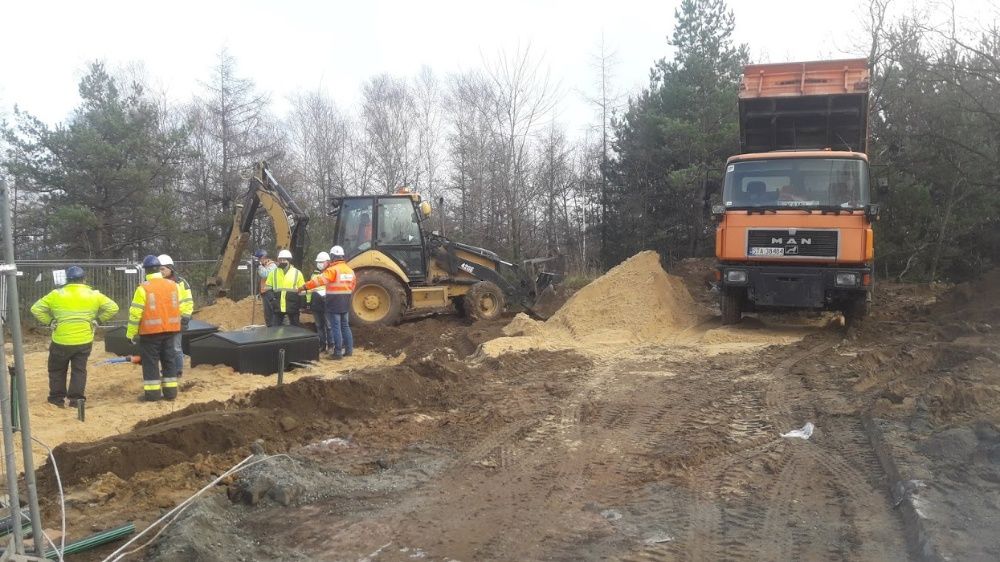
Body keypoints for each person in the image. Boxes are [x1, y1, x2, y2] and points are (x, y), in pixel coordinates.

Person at [30, 266, 119, 407]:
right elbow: (113, 307)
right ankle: (76, 400)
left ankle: (56, 400)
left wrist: (50, 321)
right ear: (84, 279)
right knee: (79, 370)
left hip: (61, 340)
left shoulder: (56, 294)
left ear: (67, 280)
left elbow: (36, 308)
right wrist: (99, 320)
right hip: (84, 340)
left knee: (57, 370)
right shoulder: (93, 294)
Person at [126, 255, 183, 402]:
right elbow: (179, 306)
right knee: (169, 360)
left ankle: (153, 395)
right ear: (159, 268)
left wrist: (130, 333)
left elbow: (135, 313)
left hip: (150, 333)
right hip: (170, 330)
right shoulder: (173, 285)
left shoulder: (143, 288)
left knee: (150, 363)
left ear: (146, 270)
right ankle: (171, 393)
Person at [299, 245, 356, 360]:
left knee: (335, 327)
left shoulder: (332, 270)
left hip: (334, 301)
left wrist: (304, 287)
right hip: (345, 301)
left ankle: (338, 352)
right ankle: (349, 350)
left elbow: (319, 281)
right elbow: (353, 285)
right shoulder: (350, 270)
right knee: (345, 325)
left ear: (333, 256)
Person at [157, 254, 194, 378]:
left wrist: (185, 318)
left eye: (162, 269)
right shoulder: (156, 283)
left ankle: (178, 371)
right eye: (159, 269)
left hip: (177, 321)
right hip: (162, 321)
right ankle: (167, 369)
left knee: (176, 347)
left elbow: (188, 302)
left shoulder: (181, 283)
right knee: (164, 348)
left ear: (170, 268)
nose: (160, 272)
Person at [266, 249, 304, 327]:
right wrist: (272, 300)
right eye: (280, 259)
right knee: (275, 329)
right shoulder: (273, 273)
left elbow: (302, 291)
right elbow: (268, 289)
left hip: (293, 306)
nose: (282, 261)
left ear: (289, 260)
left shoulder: (297, 273)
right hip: (278, 306)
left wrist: (300, 305)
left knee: (295, 329)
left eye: (284, 260)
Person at [305, 252, 331, 351]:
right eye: (318, 262)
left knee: (329, 326)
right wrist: (308, 302)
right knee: (319, 325)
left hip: (327, 302)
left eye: (321, 262)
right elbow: (310, 289)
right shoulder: (314, 274)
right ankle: (322, 345)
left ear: (327, 262)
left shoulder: (330, 273)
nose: (319, 264)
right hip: (316, 302)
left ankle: (331, 345)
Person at [255, 249, 278, 327]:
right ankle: (270, 327)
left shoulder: (272, 265)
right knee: (267, 313)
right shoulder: (264, 265)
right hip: (265, 292)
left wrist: (259, 266)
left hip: (271, 292)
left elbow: (265, 274)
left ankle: (273, 328)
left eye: (259, 258)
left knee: (271, 312)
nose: (258, 260)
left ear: (264, 257)